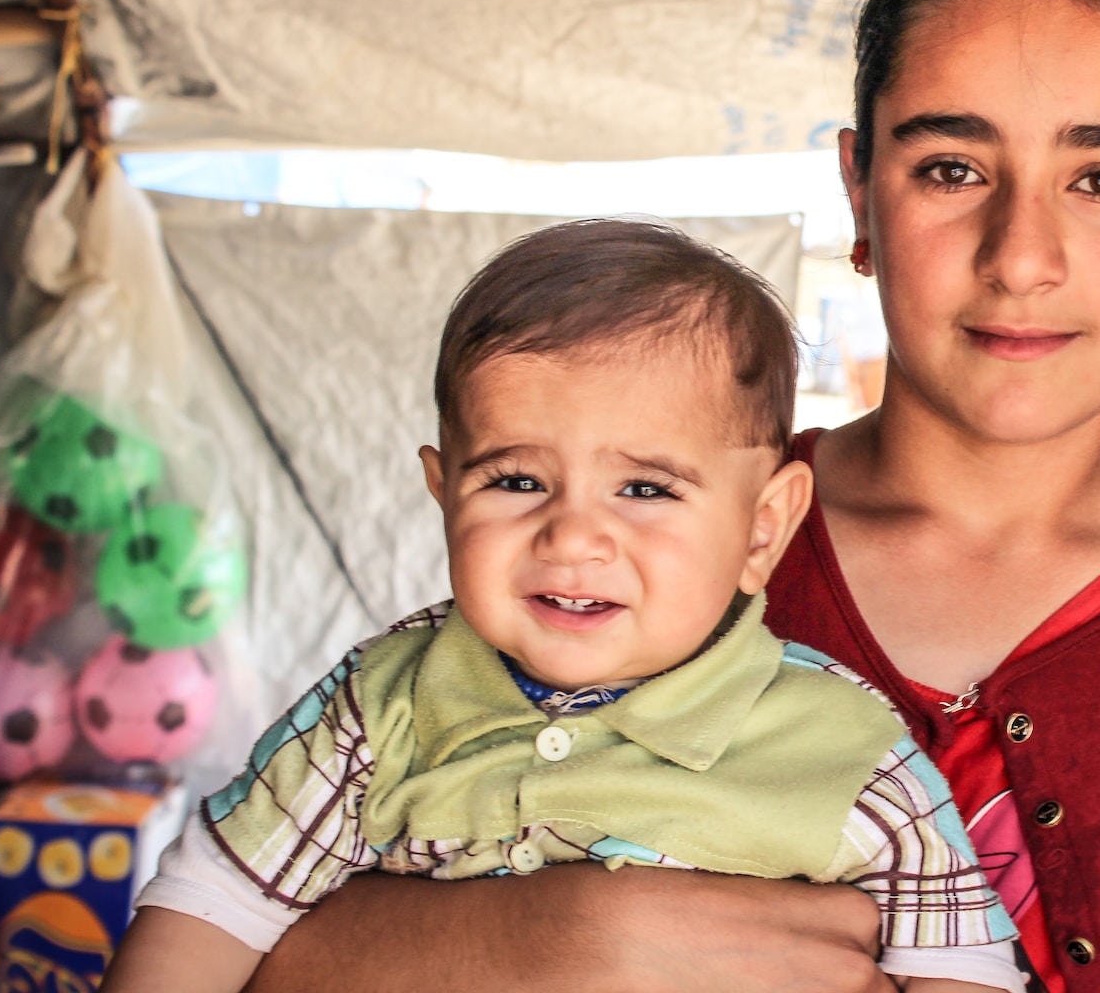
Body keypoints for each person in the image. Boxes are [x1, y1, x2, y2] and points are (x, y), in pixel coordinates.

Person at [242, 0, 1100, 993]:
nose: (1020, 253)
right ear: (860, 193)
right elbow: (246, 923)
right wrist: (545, 935)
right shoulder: (626, 539)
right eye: (951, 167)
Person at [103, 220, 1026, 993]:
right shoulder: (375, 711)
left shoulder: (849, 751)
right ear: (443, 494)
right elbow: (211, 905)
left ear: (761, 529)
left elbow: (963, 969)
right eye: (516, 479)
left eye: (646, 490)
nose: (572, 537)